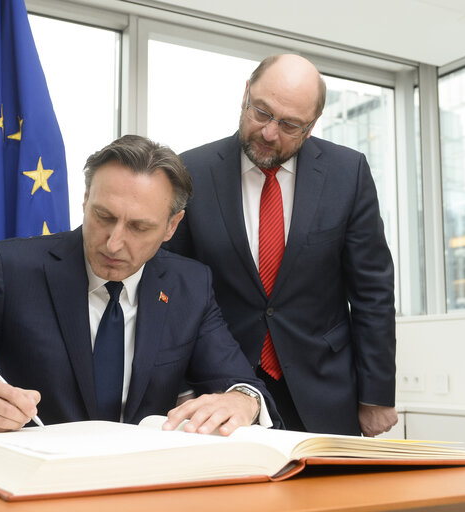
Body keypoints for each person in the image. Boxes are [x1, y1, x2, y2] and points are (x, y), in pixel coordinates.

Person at [0, 135, 283, 449]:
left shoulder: (189, 285)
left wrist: (243, 401)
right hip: (36, 492)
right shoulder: (15, 271)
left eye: (139, 228)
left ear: (171, 226)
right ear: (84, 201)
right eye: (103, 217)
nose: (113, 244)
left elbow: (243, 386)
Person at [165, 54, 397, 437]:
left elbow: (372, 290)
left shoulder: (347, 173)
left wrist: (376, 395)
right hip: (222, 389)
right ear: (245, 94)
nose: (269, 132)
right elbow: (173, 290)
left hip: (324, 388)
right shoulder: (192, 172)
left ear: (311, 126)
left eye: (289, 124)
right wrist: (178, 387)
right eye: (261, 112)